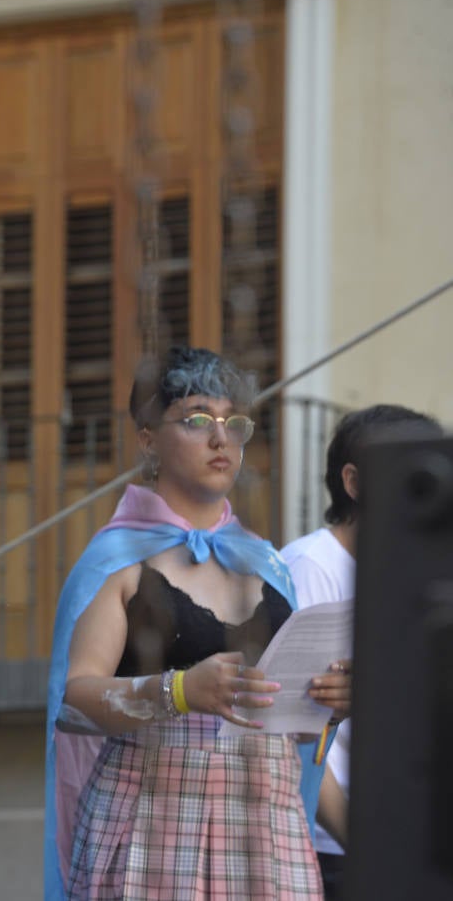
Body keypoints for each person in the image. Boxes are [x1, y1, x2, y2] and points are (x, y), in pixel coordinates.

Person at [43, 345, 352, 900]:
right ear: (146, 439)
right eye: (196, 420)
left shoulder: (268, 562)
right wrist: (180, 689)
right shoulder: (118, 557)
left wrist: (325, 701)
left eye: (234, 423)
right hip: (154, 821)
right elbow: (73, 700)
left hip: (267, 824)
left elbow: (291, 722)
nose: (221, 440)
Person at [280, 404, 441, 899]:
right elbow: (295, 732)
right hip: (342, 848)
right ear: (353, 481)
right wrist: (365, 845)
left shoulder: (419, 569)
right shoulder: (311, 566)